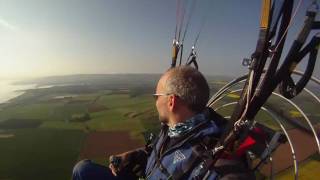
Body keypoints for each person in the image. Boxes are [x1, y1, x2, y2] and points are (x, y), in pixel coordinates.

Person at [72, 66, 251, 179]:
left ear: (171, 101)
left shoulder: (215, 155)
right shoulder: (174, 130)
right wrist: (136, 155)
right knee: (83, 169)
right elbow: (163, 155)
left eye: (157, 96)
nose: (155, 101)